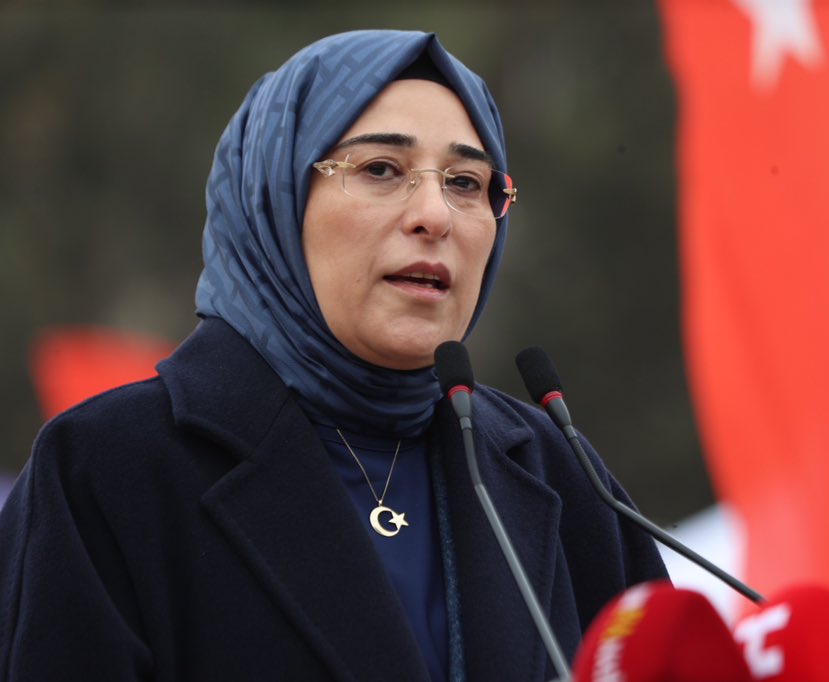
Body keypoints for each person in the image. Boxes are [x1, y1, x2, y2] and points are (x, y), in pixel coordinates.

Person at [0, 30, 668, 681]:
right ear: (275, 198)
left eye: (467, 183)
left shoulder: (558, 471)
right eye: (381, 169)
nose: (435, 215)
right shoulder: (106, 470)